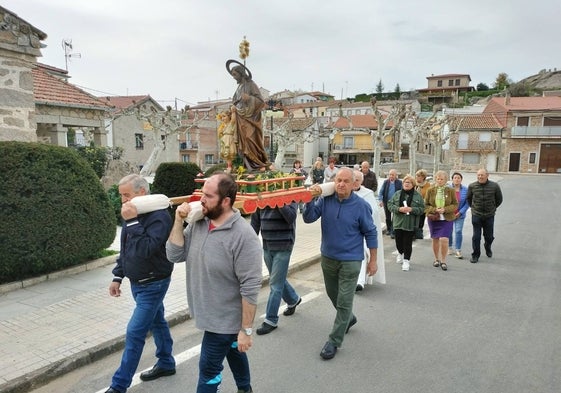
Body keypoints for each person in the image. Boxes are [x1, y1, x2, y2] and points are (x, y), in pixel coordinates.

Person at [167, 172, 262, 393]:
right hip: (208, 313)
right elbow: (174, 255)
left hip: (225, 318)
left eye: (208, 196)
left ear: (226, 201)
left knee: (209, 370)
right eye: (202, 194)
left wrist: (246, 330)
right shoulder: (200, 223)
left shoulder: (244, 236)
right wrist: (178, 220)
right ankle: (245, 389)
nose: (201, 200)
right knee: (232, 350)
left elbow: (250, 287)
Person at [105, 174, 175, 393]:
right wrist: (118, 275)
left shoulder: (160, 217)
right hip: (137, 281)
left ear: (142, 193)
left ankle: (118, 386)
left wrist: (133, 221)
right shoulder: (133, 214)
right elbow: (126, 249)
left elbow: (146, 249)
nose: (123, 201)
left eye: (127, 195)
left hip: (154, 281)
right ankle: (166, 363)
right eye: (121, 196)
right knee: (158, 322)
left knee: (135, 332)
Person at [304, 167, 378, 360]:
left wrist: (373, 261)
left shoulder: (361, 206)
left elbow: (371, 233)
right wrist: (310, 197)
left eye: (346, 181)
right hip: (328, 257)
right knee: (332, 293)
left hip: (351, 260)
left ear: (354, 184)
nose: (341, 184)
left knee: (344, 300)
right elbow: (308, 217)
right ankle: (349, 319)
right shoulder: (326, 200)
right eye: (338, 180)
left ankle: (334, 341)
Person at [250, 203, 302, 335]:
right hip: (267, 245)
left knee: (275, 284)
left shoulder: (289, 196)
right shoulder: (261, 196)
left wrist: (279, 202)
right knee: (277, 278)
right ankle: (293, 299)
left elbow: (291, 217)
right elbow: (255, 222)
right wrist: (248, 242)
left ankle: (271, 320)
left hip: (284, 245)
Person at [226, 60, 270, 171]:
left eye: (235, 74)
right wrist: (233, 107)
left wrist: (250, 98)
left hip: (251, 118)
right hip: (240, 117)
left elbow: (261, 101)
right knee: (242, 142)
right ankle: (246, 164)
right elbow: (235, 101)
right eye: (232, 75)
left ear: (241, 73)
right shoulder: (239, 87)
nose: (233, 77)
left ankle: (257, 163)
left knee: (249, 138)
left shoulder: (251, 84)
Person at [353, 170, 385, 291]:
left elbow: (374, 211)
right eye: (353, 179)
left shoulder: (367, 193)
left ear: (362, 181)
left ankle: (360, 281)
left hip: (364, 228)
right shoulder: (345, 192)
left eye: (358, 180)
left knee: (364, 253)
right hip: (351, 230)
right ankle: (356, 279)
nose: (355, 182)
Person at [387, 174, 425, 271]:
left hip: (410, 224)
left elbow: (422, 209)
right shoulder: (397, 194)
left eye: (409, 182)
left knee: (407, 243)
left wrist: (411, 209)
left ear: (413, 184)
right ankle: (400, 253)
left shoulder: (417, 196)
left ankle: (406, 261)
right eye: (405, 182)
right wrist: (399, 209)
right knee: (398, 242)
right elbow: (390, 205)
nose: (406, 184)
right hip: (398, 223)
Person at [466, 168, 503, 263]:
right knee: (476, 236)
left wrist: (493, 208)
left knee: (489, 236)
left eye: (482, 175)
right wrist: (473, 208)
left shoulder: (494, 186)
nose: (480, 177)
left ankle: (487, 245)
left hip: (489, 215)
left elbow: (499, 199)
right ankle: (475, 255)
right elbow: (469, 199)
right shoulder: (472, 186)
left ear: (487, 175)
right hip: (476, 214)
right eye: (478, 175)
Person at [424, 170, 458, 271]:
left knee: (444, 239)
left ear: (446, 180)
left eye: (441, 179)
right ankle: (436, 259)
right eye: (438, 179)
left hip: (447, 218)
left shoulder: (450, 190)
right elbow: (425, 205)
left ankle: (443, 261)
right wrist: (435, 209)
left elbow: (455, 204)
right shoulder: (430, 190)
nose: (439, 181)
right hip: (434, 218)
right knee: (435, 239)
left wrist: (445, 209)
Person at [448, 172, 469, 259]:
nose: (457, 179)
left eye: (458, 178)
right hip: (449, 214)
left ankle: (458, 250)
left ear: (461, 179)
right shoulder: (448, 189)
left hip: (460, 215)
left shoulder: (466, 189)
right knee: (449, 231)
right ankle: (449, 247)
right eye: (455, 178)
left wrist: (460, 212)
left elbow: (468, 203)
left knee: (458, 231)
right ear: (452, 179)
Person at [378, 169, 403, 239]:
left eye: (393, 175)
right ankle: (389, 229)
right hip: (387, 202)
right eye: (390, 175)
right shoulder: (386, 182)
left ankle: (393, 231)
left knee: (395, 217)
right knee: (388, 217)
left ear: (396, 175)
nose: (391, 176)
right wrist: (380, 200)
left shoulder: (399, 182)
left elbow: (402, 192)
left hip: (396, 203)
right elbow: (381, 192)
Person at [414, 169, 431, 239]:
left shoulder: (428, 185)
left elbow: (429, 196)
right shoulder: (414, 183)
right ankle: (413, 233)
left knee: (421, 219)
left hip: (422, 205)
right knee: (414, 219)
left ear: (423, 177)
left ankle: (419, 232)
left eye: (419, 176)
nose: (417, 177)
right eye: (417, 176)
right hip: (414, 205)